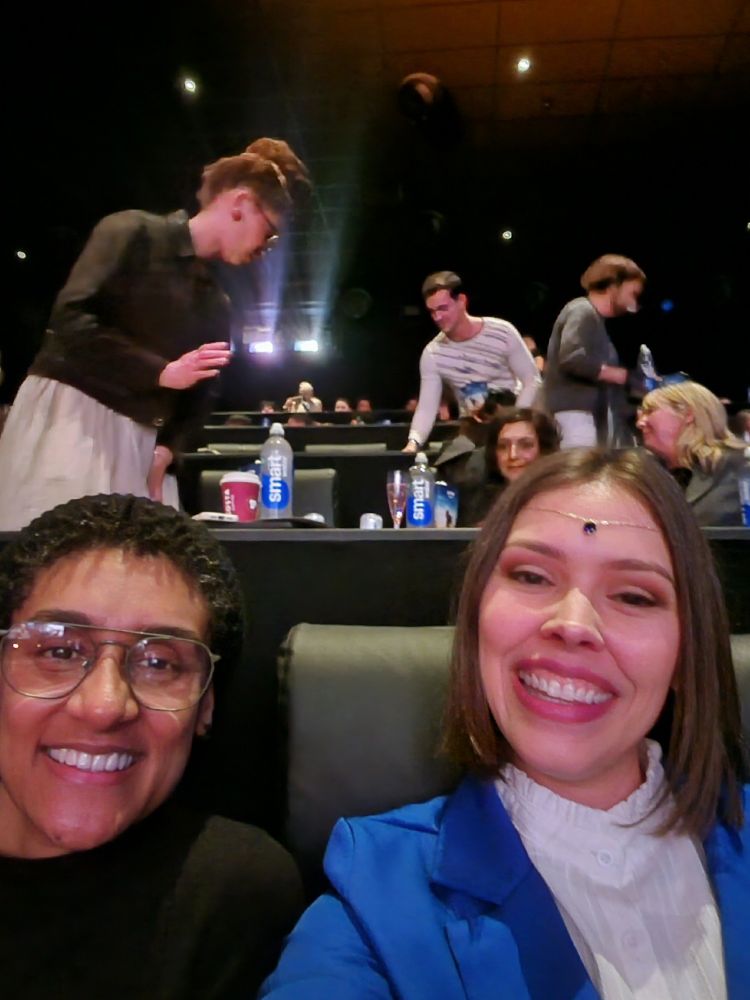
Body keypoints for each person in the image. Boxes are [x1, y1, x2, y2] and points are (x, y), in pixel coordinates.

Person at [262, 448, 748, 999]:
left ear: (687, 652)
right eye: (533, 576)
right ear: (475, 619)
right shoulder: (375, 889)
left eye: (634, 595)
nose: (573, 624)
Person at [0, 493, 303, 998]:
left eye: (160, 663)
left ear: (205, 706)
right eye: (58, 650)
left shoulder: (229, 895)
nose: (103, 705)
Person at [0, 142, 309, 531]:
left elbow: (203, 394)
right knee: (49, 565)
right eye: (270, 232)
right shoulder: (132, 231)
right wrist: (161, 372)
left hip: (140, 445)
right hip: (69, 422)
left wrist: (167, 449)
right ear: (240, 204)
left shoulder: (217, 303)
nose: (266, 249)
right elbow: (71, 323)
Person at [403, 271, 541, 452]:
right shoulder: (432, 354)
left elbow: (532, 379)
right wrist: (413, 443)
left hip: (511, 420)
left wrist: (515, 418)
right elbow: (427, 407)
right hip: (472, 431)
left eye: (443, 308)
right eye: (432, 311)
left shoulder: (502, 332)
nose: (437, 317)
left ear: (461, 301)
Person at [543, 254, 646, 448]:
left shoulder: (596, 322)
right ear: (613, 286)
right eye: (631, 294)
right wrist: (621, 375)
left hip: (584, 416)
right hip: (574, 416)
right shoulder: (582, 310)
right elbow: (572, 359)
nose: (633, 303)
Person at [637, 381, 749, 526]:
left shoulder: (742, 464)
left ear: (688, 414)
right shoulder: (652, 475)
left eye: (650, 411)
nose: (640, 423)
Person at [462, 407, 561, 524]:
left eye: (525, 445)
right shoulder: (477, 505)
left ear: (545, 451)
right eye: (503, 446)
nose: (512, 455)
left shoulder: (563, 501)